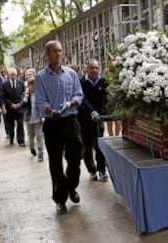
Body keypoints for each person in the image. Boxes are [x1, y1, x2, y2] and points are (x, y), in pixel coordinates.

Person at [35, 40, 84, 215]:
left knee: (75, 158)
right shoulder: (41, 77)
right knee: (55, 163)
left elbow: (79, 94)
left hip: (70, 120)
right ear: (47, 54)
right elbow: (40, 100)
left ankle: (72, 186)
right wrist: (50, 110)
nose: (58, 54)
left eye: (60, 51)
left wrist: (71, 103)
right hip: (53, 122)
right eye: (54, 51)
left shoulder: (71, 74)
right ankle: (60, 199)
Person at [77, 59, 109, 182]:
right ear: (87, 69)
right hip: (84, 119)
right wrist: (91, 111)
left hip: (98, 119)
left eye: (96, 68)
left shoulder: (103, 82)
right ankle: (91, 170)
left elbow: (106, 98)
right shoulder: (81, 82)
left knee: (99, 145)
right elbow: (83, 99)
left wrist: (103, 113)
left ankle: (102, 170)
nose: (94, 70)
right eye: (92, 68)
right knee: (87, 147)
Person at [22, 68, 44, 162]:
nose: (30, 75)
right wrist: (26, 95)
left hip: (38, 117)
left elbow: (43, 103)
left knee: (40, 136)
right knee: (31, 136)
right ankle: (32, 148)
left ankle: (40, 153)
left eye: (31, 74)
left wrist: (43, 115)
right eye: (28, 74)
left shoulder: (40, 88)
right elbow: (23, 104)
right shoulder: (24, 88)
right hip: (29, 117)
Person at [2, 68, 26, 147]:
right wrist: (10, 104)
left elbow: (23, 94)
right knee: (11, 125)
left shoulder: (21, 83)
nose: (13, 76)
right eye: (11, 75)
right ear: (8, 75)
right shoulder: (5, 84)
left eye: (14, 75)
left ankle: (21, 140)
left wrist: (20, 103)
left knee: (20, 123)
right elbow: (4, 96)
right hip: (10, 109)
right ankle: (11, 138)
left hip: (19, 108)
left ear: (16, 75)